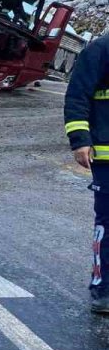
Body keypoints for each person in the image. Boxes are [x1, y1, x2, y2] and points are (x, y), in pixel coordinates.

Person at [64, 32, 109, 313]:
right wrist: (80, 140)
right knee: (108, 224)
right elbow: (77, 95)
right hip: (106, 158)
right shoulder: (100, 49)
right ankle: (103, 289)